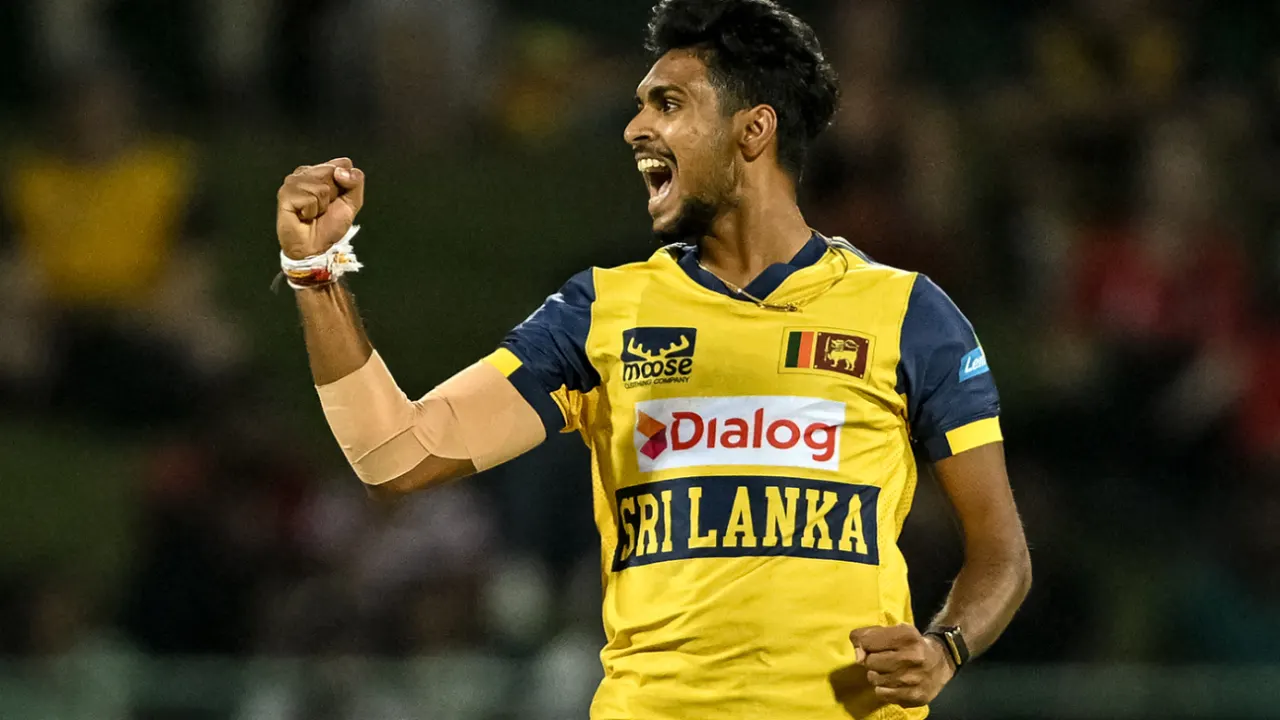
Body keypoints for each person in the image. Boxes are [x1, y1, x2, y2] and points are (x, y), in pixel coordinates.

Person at [273, 1, 1031, 717]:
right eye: (640, 106)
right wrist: (315, 272)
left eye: (668, 104)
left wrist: (944, 648)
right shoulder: (601, 311)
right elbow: (395, 455)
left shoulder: (909, 314)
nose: (635, 128)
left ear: (753, 129)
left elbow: (1001, 554)